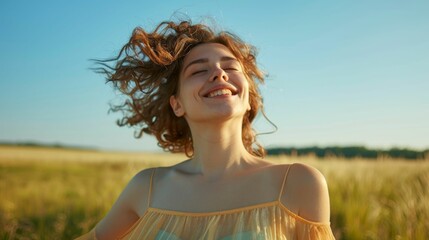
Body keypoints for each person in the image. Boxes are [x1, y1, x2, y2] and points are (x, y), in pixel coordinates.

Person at [76, 20, 335, 240]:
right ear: (177, 104)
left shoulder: (299, 184)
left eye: (230, 67)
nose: (219, 73)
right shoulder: (147, 187)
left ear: (248, 98)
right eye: (199, 70)